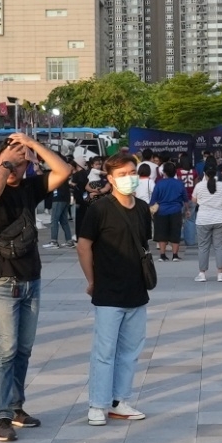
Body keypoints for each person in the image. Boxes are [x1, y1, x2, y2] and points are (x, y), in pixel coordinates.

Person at [0, 132, 73, 443]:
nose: (17, 165)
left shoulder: (30, 187)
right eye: (11, 158)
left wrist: (33, 145)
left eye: (21, 161)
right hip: (0, 281)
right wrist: (6, 164)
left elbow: (63, 171)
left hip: (31, 278)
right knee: (4, 351)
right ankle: (1, 415)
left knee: (22, 350)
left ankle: (16, 407)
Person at [75, 152, 152, 426]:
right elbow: (83, 246)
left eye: (132, 173)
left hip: (136, 289)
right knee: (104, 351)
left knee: (130, 351)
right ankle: (98, 404)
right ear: (110, 178)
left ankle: (120, 400)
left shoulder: (142, 208)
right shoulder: (99, 209)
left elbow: (143, 244)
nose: (129, 178)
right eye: (122, 174)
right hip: (108, 290)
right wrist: (92, 280)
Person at [192, 161, 222, 282]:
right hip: (220, 219)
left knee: (203, 247)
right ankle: (220, 274)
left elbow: (194, 200)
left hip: (203, 220)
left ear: (204, 173)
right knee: (220, 247)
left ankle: (202, 274)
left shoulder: (199, 186)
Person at [150, 159, 187, 260]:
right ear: (175, 172)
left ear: (164, 172)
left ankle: (162, 255)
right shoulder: (179, 183)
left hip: (161, 211)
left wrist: (152, 208)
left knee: (162, 233)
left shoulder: (159, 183)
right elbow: (185, 198)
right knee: (175, 233)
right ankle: (175, 255)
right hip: (176, 210)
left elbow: (153, 199)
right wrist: (187, 209)